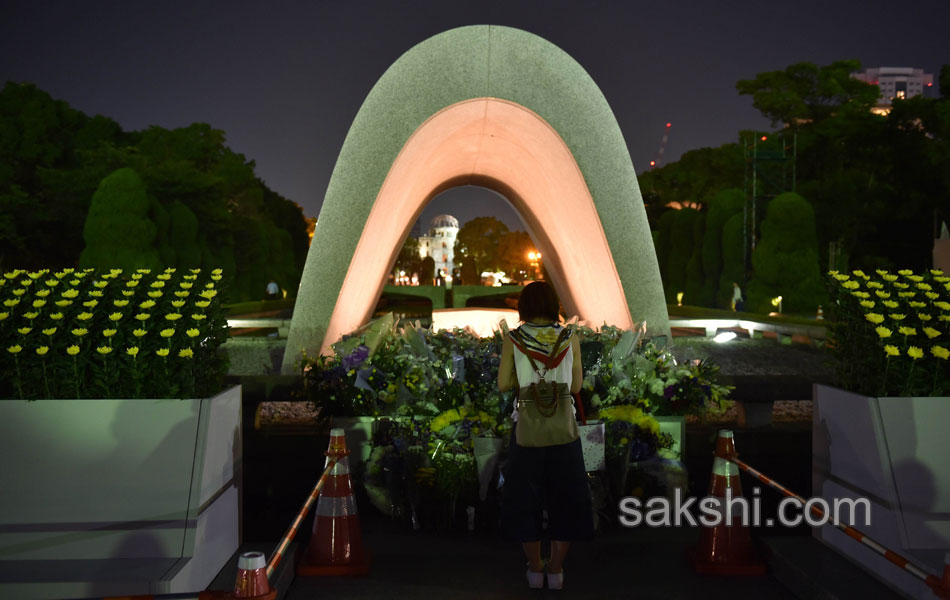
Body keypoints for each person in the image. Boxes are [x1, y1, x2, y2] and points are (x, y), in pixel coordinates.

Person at [497, 281, 593, 591]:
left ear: (523, 307)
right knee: (567, 500)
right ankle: (556, 569)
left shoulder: (514, 339)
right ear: (554, 305)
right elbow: (576, 386)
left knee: (526, 500)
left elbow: (503, 384)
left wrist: (525, 379)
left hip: (527, 432)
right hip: (564, 432)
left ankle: (535, 569)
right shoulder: (570, 338)